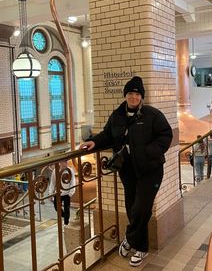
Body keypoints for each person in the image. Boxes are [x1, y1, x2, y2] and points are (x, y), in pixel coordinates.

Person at [80, 76, 173, 267]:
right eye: (130, 93)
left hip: (150, 170)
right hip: (128, 170)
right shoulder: (117, 115)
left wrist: (148, 153)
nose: (133, 97)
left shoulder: (152, 114)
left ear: (142, 97)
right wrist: (94, 142)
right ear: (125, 95)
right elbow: (107, 134)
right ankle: (142, 248)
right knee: (132, 208)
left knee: (142, 208)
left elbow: (166, 135)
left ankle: (129, 239)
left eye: (137, 93)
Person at [48, 161, 76, 225]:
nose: (64, 164)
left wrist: (71, 192)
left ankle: (66, 222)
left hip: (67, 194)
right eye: (62, 163)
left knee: (67, 208)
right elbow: (52, 183)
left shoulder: (70, 171)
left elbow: (72, 182)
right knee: (57, 208)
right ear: (60, 163)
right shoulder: (55, 171)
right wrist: (50, 193)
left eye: (65, 162)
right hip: (58, 193)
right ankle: (64, 215)